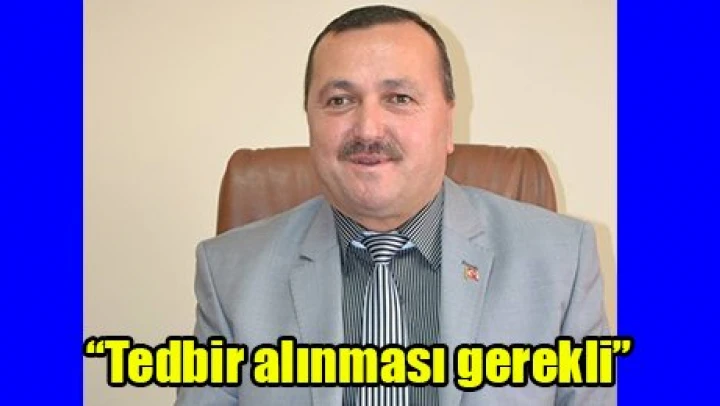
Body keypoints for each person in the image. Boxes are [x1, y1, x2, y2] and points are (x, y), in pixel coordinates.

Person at [176, 4, 612, 406]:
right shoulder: (230, 274)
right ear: (309, 120)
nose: (368, 128)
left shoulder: (560, 261)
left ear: (448, 123)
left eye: (399, 98)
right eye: (339, 101)